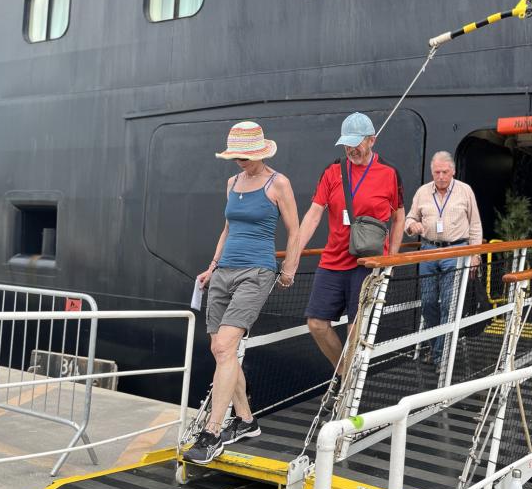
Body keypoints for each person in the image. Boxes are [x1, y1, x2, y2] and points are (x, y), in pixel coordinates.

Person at [185, 121, 301, 464]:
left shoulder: (277, 183)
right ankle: (247, 421)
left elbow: (294, 231)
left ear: (260, 153)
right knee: (221, 349)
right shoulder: (232, 182)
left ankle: (213, 432)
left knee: (224, 346)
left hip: (257, 271)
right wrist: (212, 265)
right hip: (224, 272)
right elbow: (227, 228)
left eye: (245, 156)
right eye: (236, 156)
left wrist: (290, 269)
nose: (240, 162)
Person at [296, 112, 405, 372]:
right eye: (346, 143)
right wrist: (295, 251)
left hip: (367, 262)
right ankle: (343, 371)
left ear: (372, 140)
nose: (350, 149)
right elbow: (313, 214)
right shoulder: (333, 171)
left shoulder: (389, 173)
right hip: (333, 260)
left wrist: (392, 259)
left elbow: (398, 217)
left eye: (356, 142)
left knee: (356, 327)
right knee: (316, 323)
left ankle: (348, 390)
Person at [405, 151, 482, 367]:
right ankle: (439, 348)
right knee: (428, 302)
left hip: (455, 252)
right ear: (432, 172)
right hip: (428, 251)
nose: (440, 176)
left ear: (453, 171)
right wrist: (412, 226)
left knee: (449, 303)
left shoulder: (465, 191)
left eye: (445, 172)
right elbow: (410, 217)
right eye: (437, 172)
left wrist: (475, 254)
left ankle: (440, 355)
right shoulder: (422, 192)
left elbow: (475, 225)